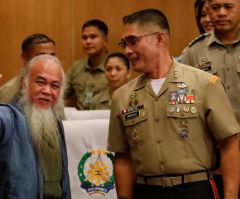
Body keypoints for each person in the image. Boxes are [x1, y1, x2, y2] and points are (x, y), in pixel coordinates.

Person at [107, 8, 240, 199]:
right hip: (146, 191)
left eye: (133, 41)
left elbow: (229, 145)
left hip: (195, 189)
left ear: (159, 38)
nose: (127, 50)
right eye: (124, 43)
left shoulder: (204, 84)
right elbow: (123, 158)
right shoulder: (122, 96)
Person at [180, 0, 240, 197]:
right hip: (213, 156)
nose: (221, 13)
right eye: (215, 8)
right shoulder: (194, 52)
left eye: (228, 7)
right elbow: (181, 100)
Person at [0, 54, 71, 199]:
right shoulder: (9, 117)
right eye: (40, 82)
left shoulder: (55, 124)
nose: (47, 91)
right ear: (23, 84)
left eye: (55, 86)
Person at [64, 19, 109, 110]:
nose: (88, 41)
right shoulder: (76, 67)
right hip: (81, 121)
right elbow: (60, 92)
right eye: (84, 38)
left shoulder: (116, 67)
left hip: (107, 120)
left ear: (105, 40)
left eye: (93, 37)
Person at [0, 33, 56, 103]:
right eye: (41, 57)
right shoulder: (9, 92)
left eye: (52, 57)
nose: (49, 62)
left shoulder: (56, 88)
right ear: (25, 58)